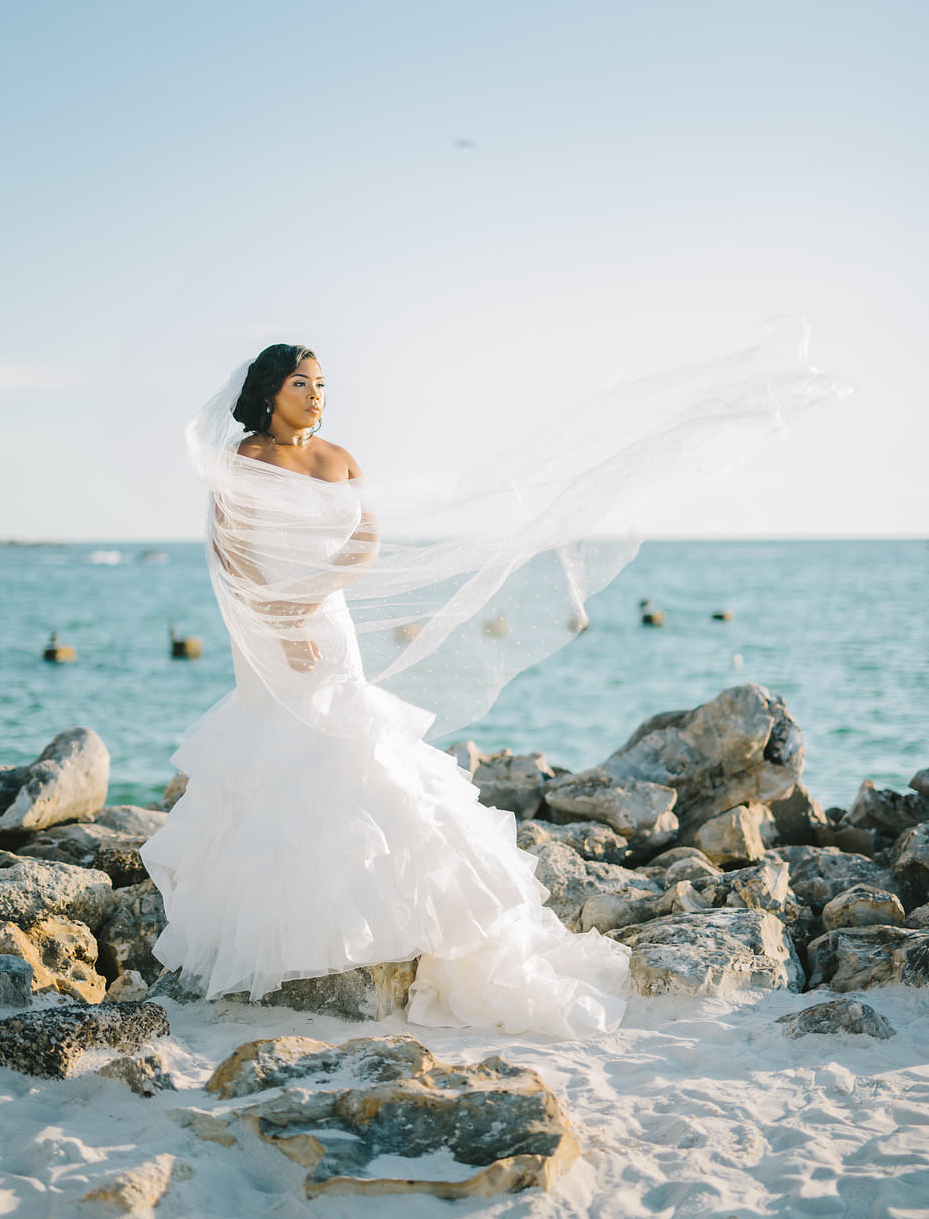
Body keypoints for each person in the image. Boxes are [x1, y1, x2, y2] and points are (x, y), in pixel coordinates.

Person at [139, 331, 845, 1038]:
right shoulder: (246, 460)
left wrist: (311, 599)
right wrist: (275, 618)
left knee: (349, 746)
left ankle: (377, 918)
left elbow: (365, 546)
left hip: (326, 620)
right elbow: (231, 551)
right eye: (303, 383)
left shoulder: (341, 459)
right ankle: (280, 928)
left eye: (322, 382)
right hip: (268, 624)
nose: (318, 393)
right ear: (269, 392)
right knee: (277, 749)